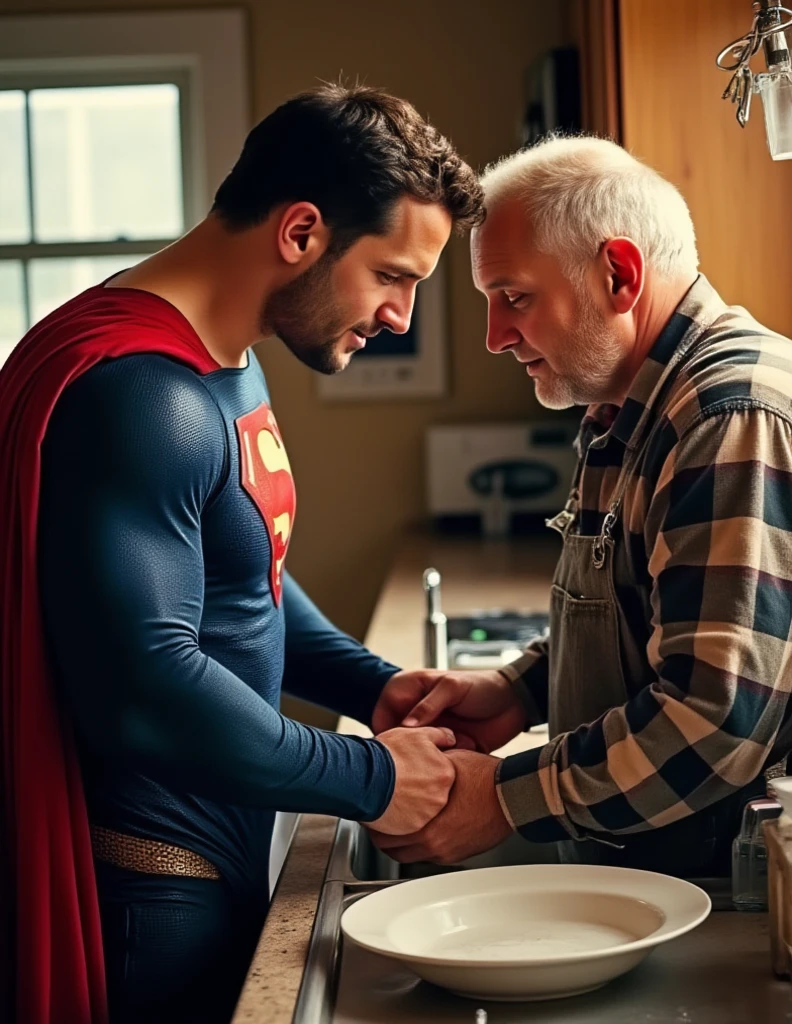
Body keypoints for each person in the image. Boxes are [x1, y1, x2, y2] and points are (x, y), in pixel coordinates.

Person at [0, 83, 485, 1024]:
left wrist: (372, 687)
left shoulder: (216, 360)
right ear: (301, 232)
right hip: (148, 897)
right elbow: (148, 682)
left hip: (210, 855)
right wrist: (373, 777)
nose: (401, 316)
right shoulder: (144, 397)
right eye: (393, 275)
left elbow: (241, 574)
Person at [371, 135, 792, 881]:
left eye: (515, 298)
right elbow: (650, 615)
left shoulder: (726, 419)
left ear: (619, 275)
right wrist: (516, 689)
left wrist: (503, 799)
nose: (498, 336)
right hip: (660, 878)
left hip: (727, 894)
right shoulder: (628, 405)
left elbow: (711, 720)